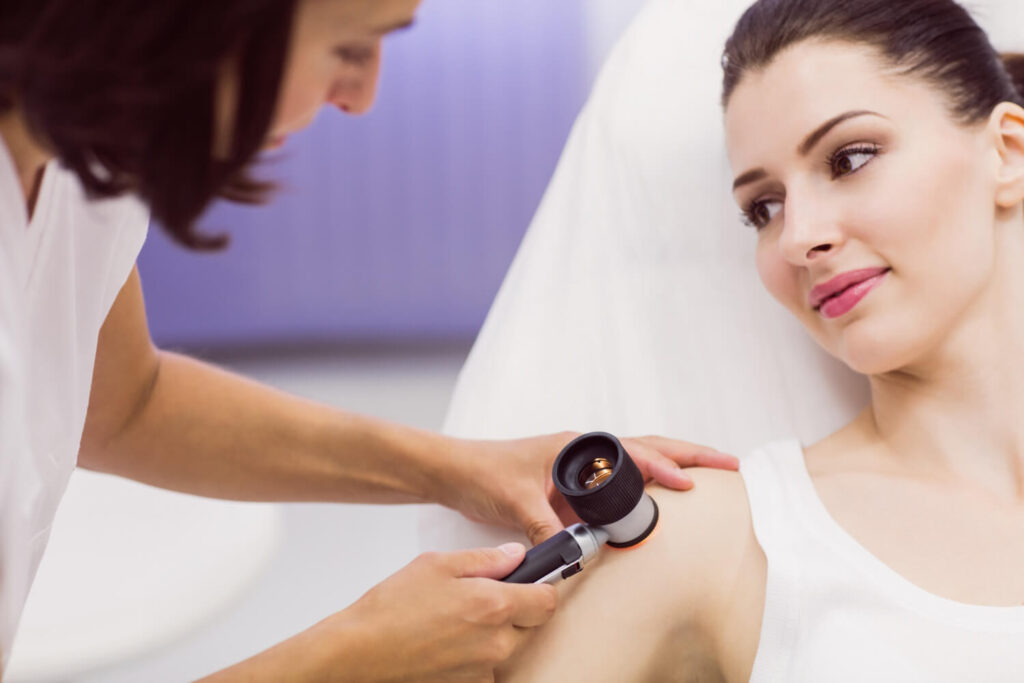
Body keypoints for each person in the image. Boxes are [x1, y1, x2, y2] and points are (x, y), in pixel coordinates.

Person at [0, 0, 742, 680]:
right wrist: (351, 653)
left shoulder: (81, 165)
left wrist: (457, 465)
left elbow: (124, 404)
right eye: (351, 50)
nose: (361, 98)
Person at [496, 0, 1024, 680]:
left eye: (850, 157)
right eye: (763, 209)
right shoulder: (715, 539)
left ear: (1006, 151)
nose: (800, 237)